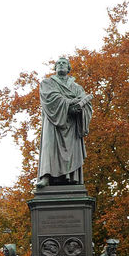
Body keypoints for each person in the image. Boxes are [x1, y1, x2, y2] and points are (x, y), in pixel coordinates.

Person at [37, 54, 92, 186]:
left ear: (68, 68)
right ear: (55, 67)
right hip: (53, 121)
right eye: (59, 63)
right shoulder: (47, 83)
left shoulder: (77, 87)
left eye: (64, 63)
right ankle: (46, 177)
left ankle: (72, 177)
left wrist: (80, 109)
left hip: (72, 124)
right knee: (49, 147)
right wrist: (71, 103)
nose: (61, 64)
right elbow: (51, 98)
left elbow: (86, 104)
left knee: (72, 151)